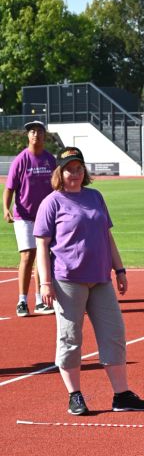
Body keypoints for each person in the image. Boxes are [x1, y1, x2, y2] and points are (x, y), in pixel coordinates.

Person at [34, 147, 144, 416]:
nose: (74, 174)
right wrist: (45, 283)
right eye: (69, 169)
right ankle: (74, 395)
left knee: (114, 334)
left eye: (78, 168)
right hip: (68, 279)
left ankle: (121, 395)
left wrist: (120, 269)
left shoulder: (95, 196)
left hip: (101, 279)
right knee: (70, 338)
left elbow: (107, 236)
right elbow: (42, 245)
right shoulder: (52, 202)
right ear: (60, 172)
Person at [3, 120, 56, 317]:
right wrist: (5, 209)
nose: (36, 134)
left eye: (39, 131)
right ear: (28, 136)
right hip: (24, 216)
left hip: (45, 217)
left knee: (42, 257)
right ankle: (22, 300)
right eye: (32, 131)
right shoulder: (21, 160)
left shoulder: (50, 160)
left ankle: (40, 300)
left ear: (44, 135)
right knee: (27, 256)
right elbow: (9, 188)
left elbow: (57, 187)